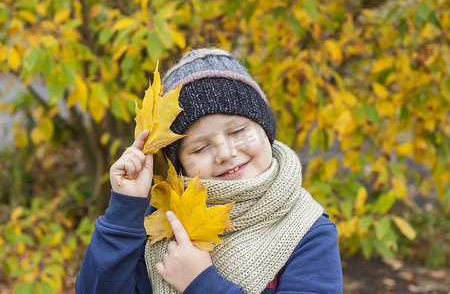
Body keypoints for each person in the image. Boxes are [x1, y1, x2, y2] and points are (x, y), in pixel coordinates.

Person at [75, 48, 343, 293]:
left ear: (265, 130)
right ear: (179, 164)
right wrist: (125, 210)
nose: (226, 153)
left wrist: (200, 283)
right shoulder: (160, 222)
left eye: (237, 132)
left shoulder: (308, 232)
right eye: (200, 148)